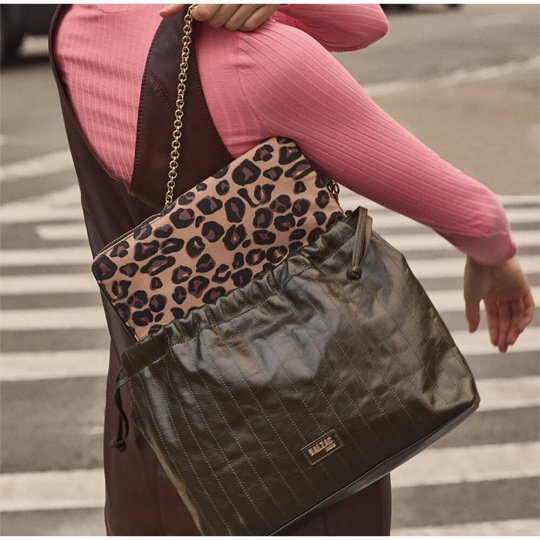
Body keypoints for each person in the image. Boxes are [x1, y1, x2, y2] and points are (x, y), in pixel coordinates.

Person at [50, 4, 534, 536]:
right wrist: (498, 258)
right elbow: (469, 212)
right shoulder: (255, 56)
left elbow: (366, 21)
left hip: (163, 443)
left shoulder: (76, 21)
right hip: (305, 443)